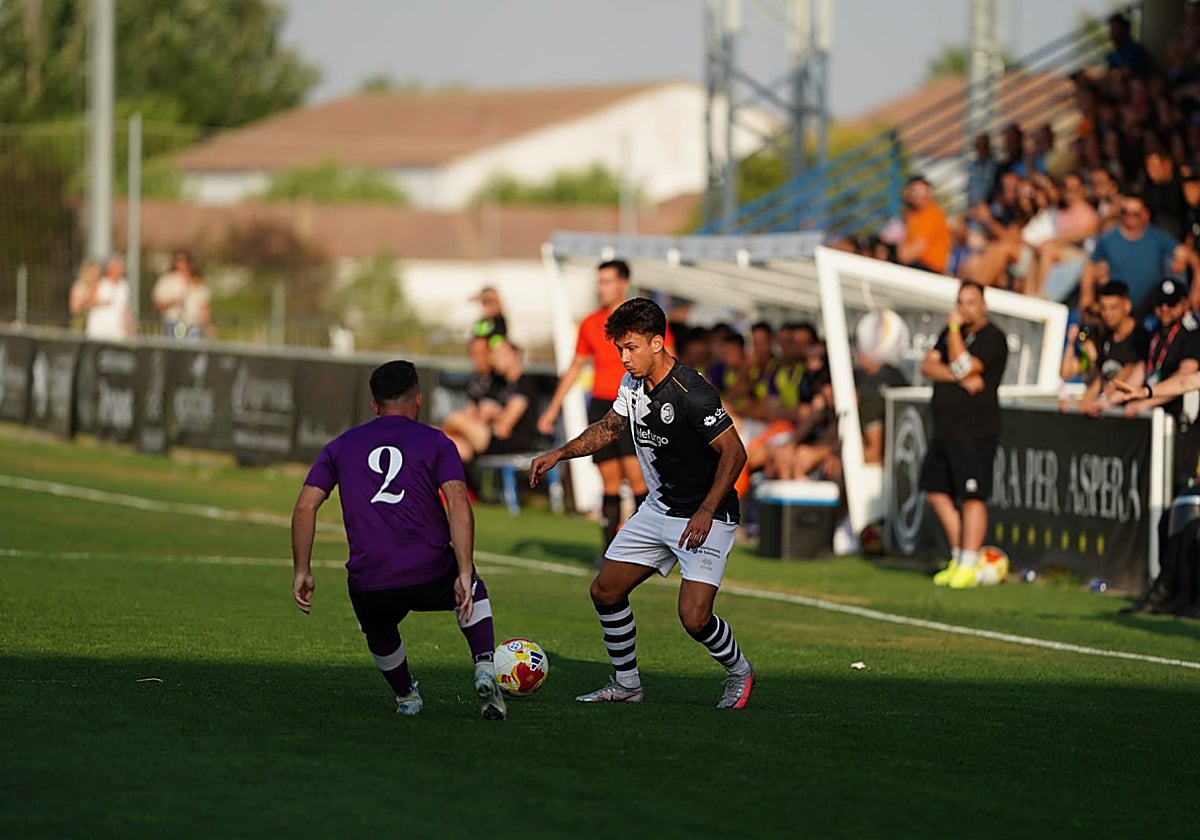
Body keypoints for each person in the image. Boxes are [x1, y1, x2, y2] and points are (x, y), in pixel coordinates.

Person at [528, 297, 754, 709]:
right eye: (619, 350)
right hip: (659, 508)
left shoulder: (693, 392)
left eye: (630, 348)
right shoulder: (632, 384)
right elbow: (611, 428)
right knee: (605, 591)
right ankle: (627, 684)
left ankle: (739, 671)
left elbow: (735, 453)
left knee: (694, 619)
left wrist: (705, 510)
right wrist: (560, 452)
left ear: (656, 342)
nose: (624, 358)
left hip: (707, 513)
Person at [290, 360, 507, 721]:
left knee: (378, 625)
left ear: (375, 406)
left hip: (370, 577)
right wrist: (464, 571)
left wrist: (302, 570)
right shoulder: (437, 441)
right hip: (430, 568)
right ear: (418, 399)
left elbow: (304, 508)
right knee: (474, 591)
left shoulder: (341, 445)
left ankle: (406, 696)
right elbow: (457, 502)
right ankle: (484, 663)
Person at [537, 259, 651, 552]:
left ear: (623, 283)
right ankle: (611, 553)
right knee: (609, 483)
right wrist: (552, 409)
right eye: (599, 282)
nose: (601, 288)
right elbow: (576, 366)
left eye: (607, 281)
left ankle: (645, 551)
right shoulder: (591, 323)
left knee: (637, 479)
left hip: (634, 404)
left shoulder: (644, 320)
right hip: (602, 406)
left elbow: (666, 358)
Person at [921, 281, 1009, 589]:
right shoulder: (948, 333)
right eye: (961, 301)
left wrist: (956, 336)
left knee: (972, 496)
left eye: (971, 302)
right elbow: (928, 366)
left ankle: (970, 563)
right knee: (935, 490)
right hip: (945, 428)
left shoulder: (991, 337)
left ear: (983, 305)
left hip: (975, 429)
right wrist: (957, 377)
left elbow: (964, 363)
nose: (964, 308)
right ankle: (960, 555)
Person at [441, 339, 537, 464]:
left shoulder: (524, 384)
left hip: (510, 442)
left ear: (515, 356)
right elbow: (479, 414)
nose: (495, 359)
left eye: (500, 354)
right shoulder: (498, 383)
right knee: (452, 446)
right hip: (487, 438)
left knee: (456, 419)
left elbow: (505, 426)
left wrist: (494, 412)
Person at [1060, 281, 1149, 416]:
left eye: (1113, 308)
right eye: (1103, 308)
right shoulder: (1104, 336)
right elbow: (1094, 379)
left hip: (1127, 414)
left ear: (1126, 306)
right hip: (1103, 409)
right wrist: (1084, 402)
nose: (1108, 313)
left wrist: (1099, 401)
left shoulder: (1140, 337)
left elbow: (1128, 372)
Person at [896, 175, 952, 274]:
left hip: (929, 269)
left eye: (922, 191)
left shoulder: (933, 214)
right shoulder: (911, 215)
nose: (919, 195)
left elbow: (910, 253)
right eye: (915, 191)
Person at [80, 254, 134, 340]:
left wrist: (130, 328)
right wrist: (100, 303)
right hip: (98, 332)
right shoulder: (100, 283)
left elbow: (125, 309)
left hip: (117, 334)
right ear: (110, 268)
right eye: (118, 267)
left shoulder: (124, 286)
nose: (121, 270)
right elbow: (86, 303)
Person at [152, 250, 192, 338]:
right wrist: (173, 303)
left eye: (185, 260)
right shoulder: (166, 281)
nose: (182, 263)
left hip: (193, 324)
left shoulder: (195, 282)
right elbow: (158, 305)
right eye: (179, 260)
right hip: (173, 322)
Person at [67, 259, 100, 332]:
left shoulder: (100, 286)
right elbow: (74, 308)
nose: (95, 275)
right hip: (81, 325)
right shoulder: (79, 286)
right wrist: (88, 300)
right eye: (93, 272)